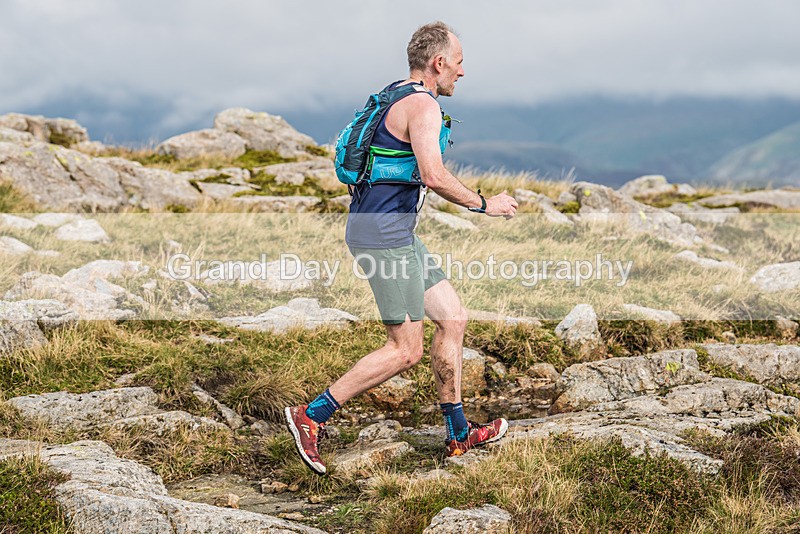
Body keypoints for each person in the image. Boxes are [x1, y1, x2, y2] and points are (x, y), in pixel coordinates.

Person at [285, 21, 518, 475]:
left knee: (452, 317)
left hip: (396, 233)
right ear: (439, 63)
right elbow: (432, 174)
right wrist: (485, 204)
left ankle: (457, 435)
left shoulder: (396, 91)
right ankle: (310, 416)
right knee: (405, 349)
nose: (462, 72)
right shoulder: (423, 107)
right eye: (460, 62)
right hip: (383, 236)